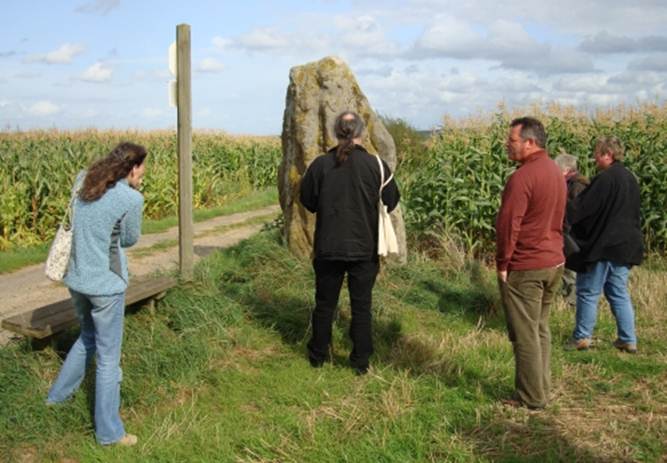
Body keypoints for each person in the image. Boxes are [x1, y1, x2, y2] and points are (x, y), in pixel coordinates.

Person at [46, 142, 147, 446]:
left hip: (76, 281)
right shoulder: (130, 199)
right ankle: (109, 433)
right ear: (132, 168)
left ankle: (56, 399)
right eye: (142, 170)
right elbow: (129, 240)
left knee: (87, 338)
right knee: (107, 359)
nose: (143, 176)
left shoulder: (83, 179)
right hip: (106, 287)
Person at [299, 111, 400, 375]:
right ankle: (360, 362)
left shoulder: (320, 165)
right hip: (365, 248)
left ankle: (318, 356)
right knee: (362, 306)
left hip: (327, 247)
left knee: (324, 304)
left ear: (335, 132)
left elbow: (307, 201)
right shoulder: (376, 166)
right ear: (361, 133)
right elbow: (391, 200)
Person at [496, 117, 566, 410]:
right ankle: (542, 388)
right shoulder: (554, 170)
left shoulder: (522, 177)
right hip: (554, 261)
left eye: (511, 141)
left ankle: (530, 397)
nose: (507, 145)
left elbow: (509, 223)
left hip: (528, 264)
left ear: (529, 142)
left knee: (524, 334)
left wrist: (503, 262)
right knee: (540, 329)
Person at [566, 136, 643, 353]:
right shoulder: (630, 178)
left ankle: (582, 337)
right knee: (618, 291)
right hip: (625, 246)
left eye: (597, 152)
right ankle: (628, 339)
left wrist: (564, 210)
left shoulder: (605, 179)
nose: (594, 157)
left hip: (603, 246)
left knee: (588, 291)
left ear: (608, 154)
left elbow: (583, 209)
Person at [554, 153, 589, 306]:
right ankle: (570, 299)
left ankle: (572, 303)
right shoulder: (572, 184)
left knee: (572, 273)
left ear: (567, 170)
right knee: (569, 272)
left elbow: (579, 214)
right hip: (570, 236)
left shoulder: (577, 186)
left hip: (575, 238)